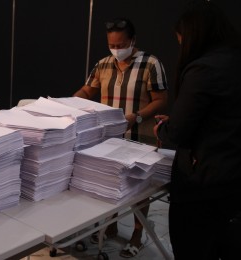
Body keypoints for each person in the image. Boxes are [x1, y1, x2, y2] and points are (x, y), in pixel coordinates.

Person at [74, 18, 168, 258]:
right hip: (108, 137)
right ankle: (111, 224)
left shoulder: (151, 64)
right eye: (112, 45)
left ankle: (138, 233)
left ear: (133, 41)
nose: (116, 49)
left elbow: (161, 99)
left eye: (121, 44)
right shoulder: (104, 64)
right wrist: (71, 103)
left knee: (140, 188)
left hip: (140, 135)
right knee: (110, 183)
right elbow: (87, 90)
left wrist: (136, 117)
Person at [154, 1, 241, 259]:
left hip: (204, 183)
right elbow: (223, 116)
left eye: (181, 40)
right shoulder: (234, 60)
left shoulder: (204, 69)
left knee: (194, 248)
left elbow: (178, 131)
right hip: (233, 179)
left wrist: (163, 128)